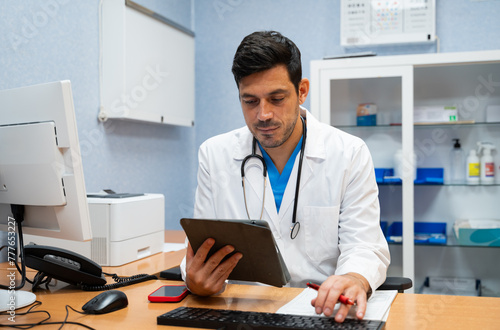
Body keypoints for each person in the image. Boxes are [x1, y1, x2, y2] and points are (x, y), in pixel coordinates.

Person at [180, 31, 390, 323]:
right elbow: (200, 249)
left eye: (276, 99)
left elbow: (365, 245)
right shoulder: (214, 154)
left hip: (321, 312)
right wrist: (196, 281)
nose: (263, 115)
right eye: (250, 101)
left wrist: (354, 277)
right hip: (243, 313)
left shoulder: (349, 153)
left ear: (302, 91)